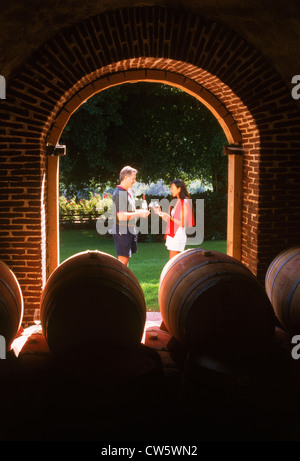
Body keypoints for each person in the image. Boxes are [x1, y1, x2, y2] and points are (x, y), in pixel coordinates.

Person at [112, 166, 150, 266]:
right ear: (126, 178)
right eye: (133, 178)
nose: (134, 180)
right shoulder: (119, 194)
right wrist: (139, 213)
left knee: (126, 258)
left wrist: (140, 211)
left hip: (129, 229)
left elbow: (129, 211)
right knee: (123, 260)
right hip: (122, 229)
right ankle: (119, 281)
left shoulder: (127, 192)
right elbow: (121, 216)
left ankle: (124, 280)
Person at [156, 179, 194, 260]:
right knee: (176, 263)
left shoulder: (185, 202)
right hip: (173, 234)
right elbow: (172, 222)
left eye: (173, 188)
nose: (171, 190)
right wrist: (160, 214)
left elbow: (182, 223)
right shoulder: (177, 201)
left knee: (173, 263)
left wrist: (170, 217)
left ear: (179, 189)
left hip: (178, 235)